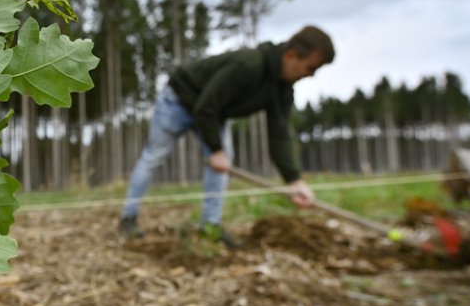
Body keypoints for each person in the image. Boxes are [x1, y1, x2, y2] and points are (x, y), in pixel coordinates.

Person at [119, 25, 335, 244]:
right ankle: (128, 218)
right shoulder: (248, 65)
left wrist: (294, 180)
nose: (310, 75)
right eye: (311, 68)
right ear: (291, 55)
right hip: (179, 100)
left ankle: (209, 226)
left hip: (213, 113)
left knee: (221, 166)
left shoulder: (283, 91)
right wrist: (215, 149)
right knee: (153, 156)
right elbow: (205, 106)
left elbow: (279, 134)